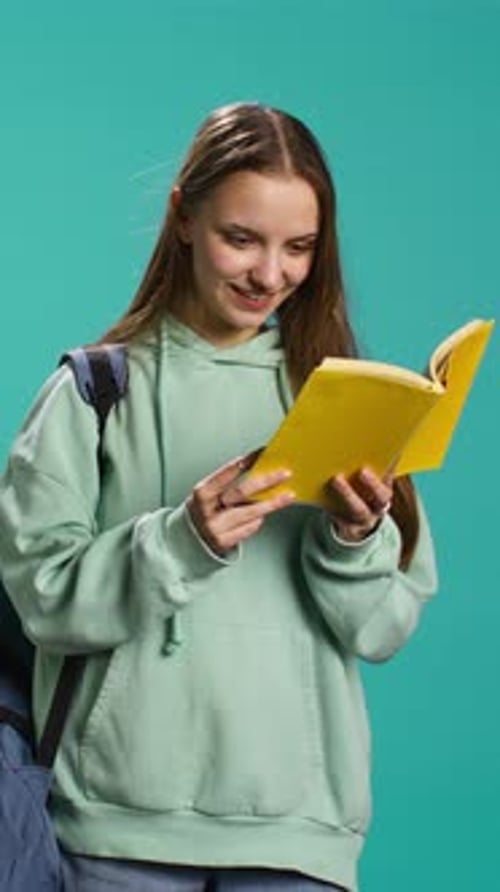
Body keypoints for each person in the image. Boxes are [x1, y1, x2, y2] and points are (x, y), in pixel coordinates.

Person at [0, 102, 437, 892]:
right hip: (114, 828)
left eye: (298, 247)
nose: (270, 275)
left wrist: (351, 541)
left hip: (298, 839)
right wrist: (181, 540)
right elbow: (41, 599)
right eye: (243, 238)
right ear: (184, 218)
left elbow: (384, 627)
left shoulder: (346, 401)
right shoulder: (94, 393)